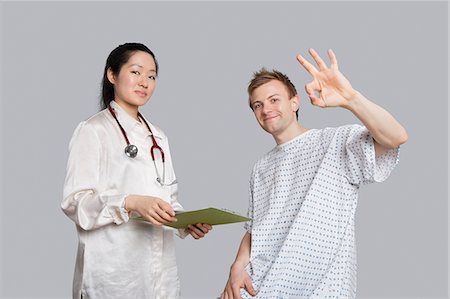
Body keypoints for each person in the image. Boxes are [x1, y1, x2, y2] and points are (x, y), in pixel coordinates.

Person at [220, 48, 408, 299]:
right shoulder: (261, 167)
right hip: (259, 286)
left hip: (320, 290)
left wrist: (351, 98)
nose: (266, 109)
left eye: (274, 99)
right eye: (258, 104)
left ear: (294, 102)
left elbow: (396, 137)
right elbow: (256, 228)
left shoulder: (334, 142)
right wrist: (236, 268)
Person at [61, 42, 212, 299]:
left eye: (151, 76)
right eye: (136, 72)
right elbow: (75, 203)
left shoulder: (159, 137)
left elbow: (167, 200)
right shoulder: (93, 130)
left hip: (159, 272)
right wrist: (129, 202)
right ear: (112, 75)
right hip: (113, 273)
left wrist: (186, 223)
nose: (144, 82)